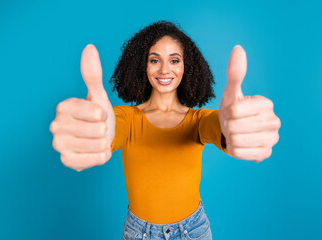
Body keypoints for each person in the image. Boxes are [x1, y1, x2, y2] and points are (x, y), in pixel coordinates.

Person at [49, 20, 281, 240]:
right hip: (139, 233)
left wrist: (234, 126)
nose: (164, 70)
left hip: (194, 230)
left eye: (174, 60)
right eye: (154, 60)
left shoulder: (197, 120)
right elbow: (109, 128)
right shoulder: (127, 119)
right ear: (142, 65)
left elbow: (219, 126)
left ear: (186, 67)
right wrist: (95, 130)